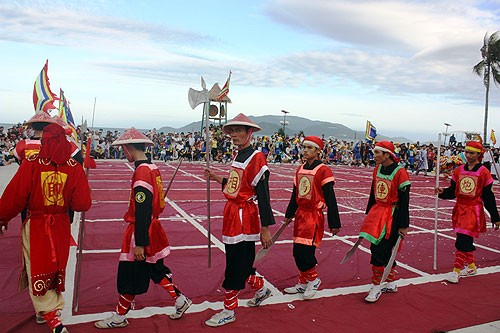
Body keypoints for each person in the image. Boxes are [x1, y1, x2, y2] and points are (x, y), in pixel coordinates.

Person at [95, 128, 191, 329]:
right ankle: (180, 299)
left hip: (143, 229)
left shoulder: (141, 172)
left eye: (124, 150)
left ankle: (120, 316)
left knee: (130, 274)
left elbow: (142, 209)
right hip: (153, 227)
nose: (124, 154)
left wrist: (140, 243)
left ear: (129, 148)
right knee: (155, 269)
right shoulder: (152, 167)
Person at [0, 123, 92, 333]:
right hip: (60, 225)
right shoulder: (74, 167)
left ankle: (52, 319)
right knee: (54, 265)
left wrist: (2, 217)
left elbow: (15, 196)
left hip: (38, 224)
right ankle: (47, 312)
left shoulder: (32, 163)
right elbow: (82, 204)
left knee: (38, 266)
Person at [203, 113, 275, 327]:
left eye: (238, 130)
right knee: (241, 262)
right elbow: (238, 186)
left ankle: (229, 310)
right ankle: (261, 289)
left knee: (235, 265)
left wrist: (265, 228)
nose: (233, 134)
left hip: (245, 218)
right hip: (232, 215)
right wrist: (217, 178)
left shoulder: (257, 158)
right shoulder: (239, 155)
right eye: (231, 131)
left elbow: (263, 194)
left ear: (248, 133)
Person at [283, 136, 341, 299]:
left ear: (318, 151)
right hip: (301, 215)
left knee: (306, 252)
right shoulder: (300, 169)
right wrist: (289, 214)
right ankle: (303, 282)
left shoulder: (323, 170)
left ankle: (314, 280)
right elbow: (295, 194)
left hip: (313, 217)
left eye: (309, 148)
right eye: (304, 147)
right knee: (297, 252)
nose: (305, 150)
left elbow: (331, 197)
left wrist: (334, 222)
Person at [436, 141, 500, 283]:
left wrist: (495, 216)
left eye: (472, 153)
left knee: (462, 239)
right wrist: (442, 192)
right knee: (464, 237)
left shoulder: (483, 172)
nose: (468, 155)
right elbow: (453, 191)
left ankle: (456, 270)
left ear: (479, 154)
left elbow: (488, 196)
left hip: (473, 210)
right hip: (459, 209)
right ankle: (471, 266)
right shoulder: (459, 171)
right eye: (466, 152)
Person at [358, 141, 410, 303]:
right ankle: (390, 282)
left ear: (387, 154)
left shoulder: (400, 172)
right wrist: (369, 214)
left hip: (392, 215)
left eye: (377, 153)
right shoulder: (377, 169)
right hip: (377, 212)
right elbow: (373, 194)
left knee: (380, 249)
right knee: (380, 249)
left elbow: (404, 200)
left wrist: (403, 225)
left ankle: (377, 284)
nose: (374, 156)